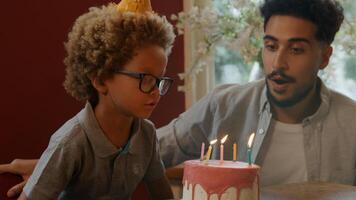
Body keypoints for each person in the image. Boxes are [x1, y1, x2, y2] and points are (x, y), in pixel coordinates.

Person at [1, 0, 356, 197]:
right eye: (270, 46)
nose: (278, 63)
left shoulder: (352, 124)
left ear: (324, 56)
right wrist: (53, 165)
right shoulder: (224, 105)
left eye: (296, 49)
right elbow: (156, 148)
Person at [0, 0, 175, 199]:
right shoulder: (71, 142)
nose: (156, 91)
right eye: (146, 79)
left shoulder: (147, 135)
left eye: (159, 80)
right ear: (101, 80)